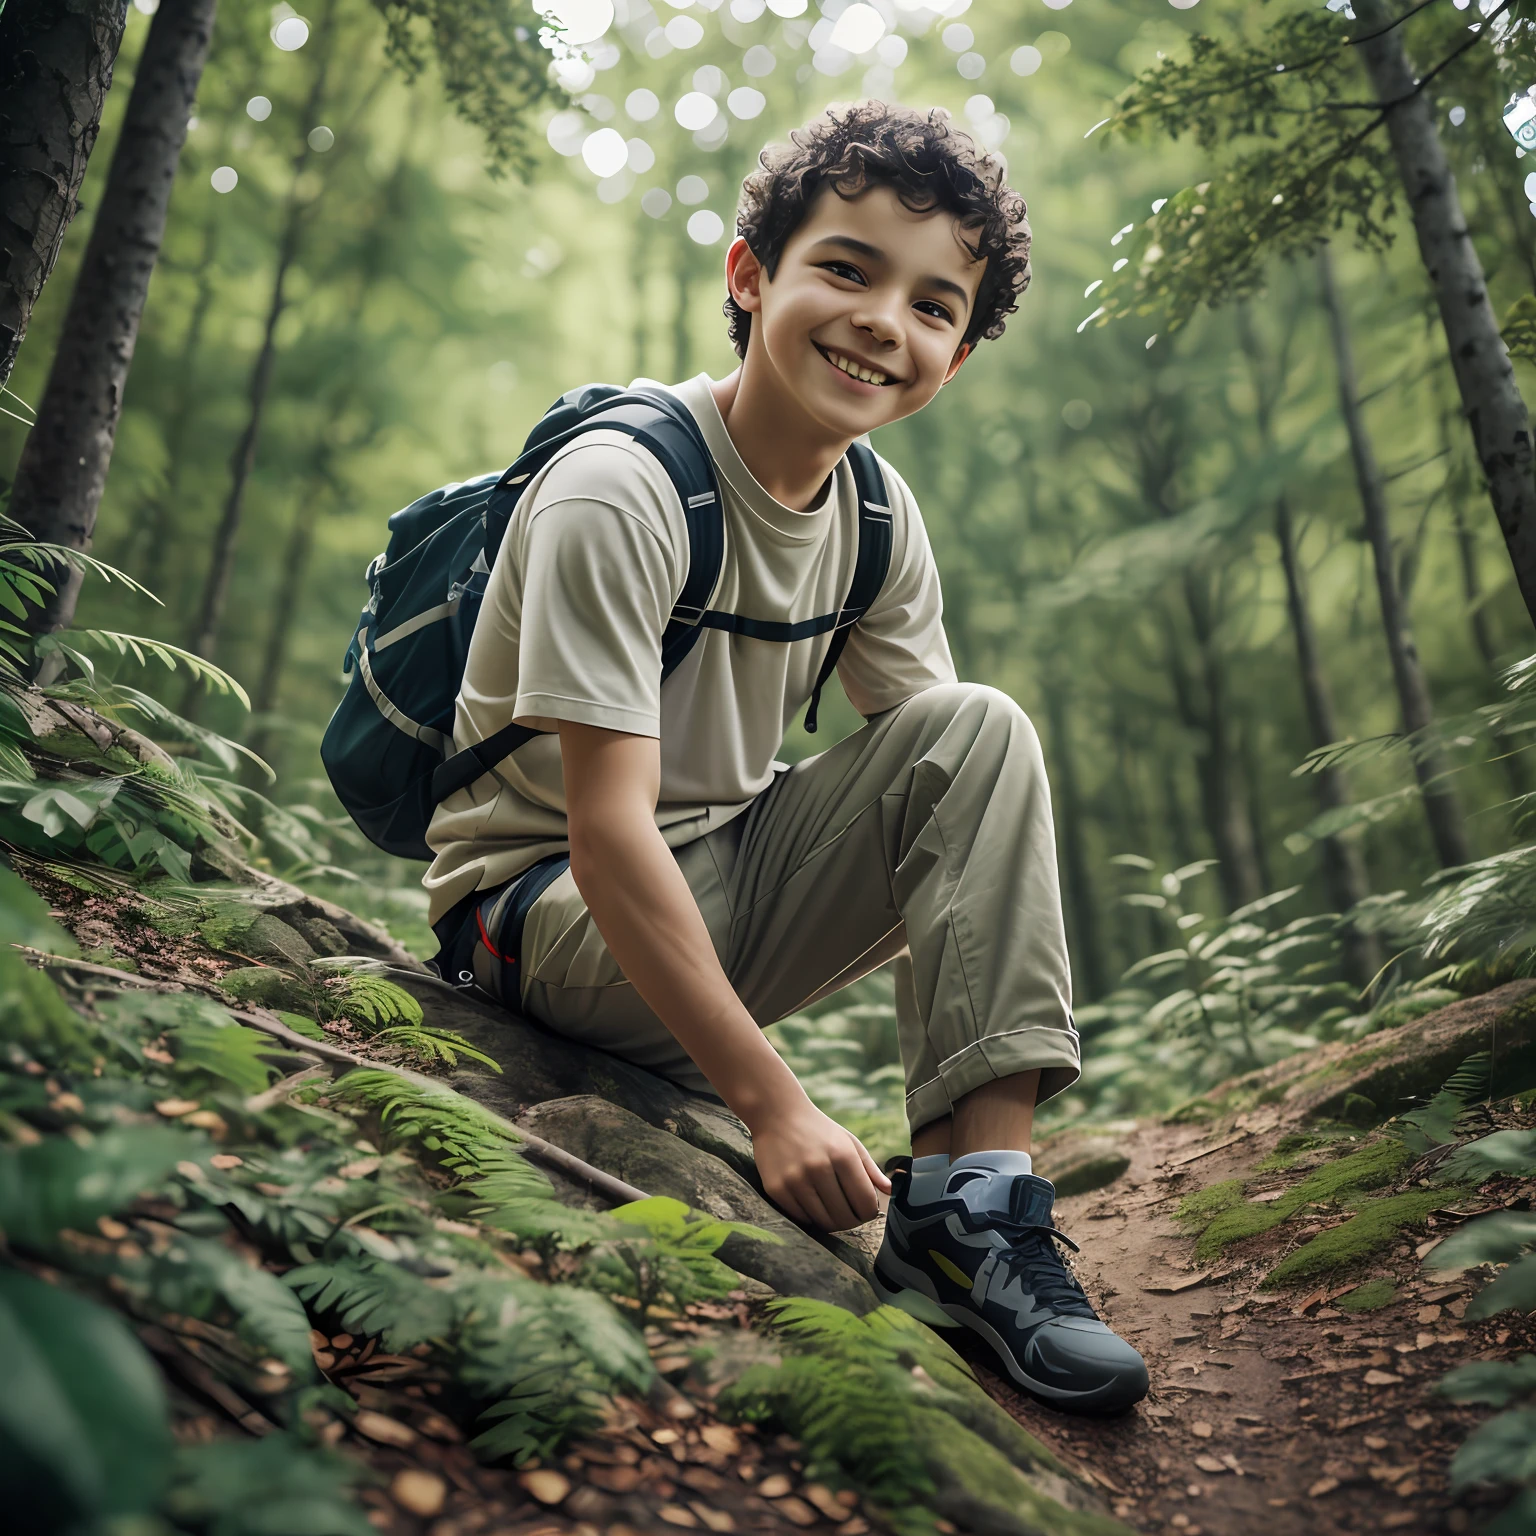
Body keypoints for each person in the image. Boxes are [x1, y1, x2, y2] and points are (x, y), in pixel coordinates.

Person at [423, 101, 1147, 1414]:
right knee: (906, 758)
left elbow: (948, 808)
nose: (885, 323)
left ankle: (973, 1217)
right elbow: (607, 830)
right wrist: (777, 1109)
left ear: (957, 358)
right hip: (544, 916)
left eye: (937, 306)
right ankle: (941, 1214)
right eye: (849, 269)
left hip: (724, 881)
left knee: (982, 724)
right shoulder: (624, 486)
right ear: (752, 277)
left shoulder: (873, 515)